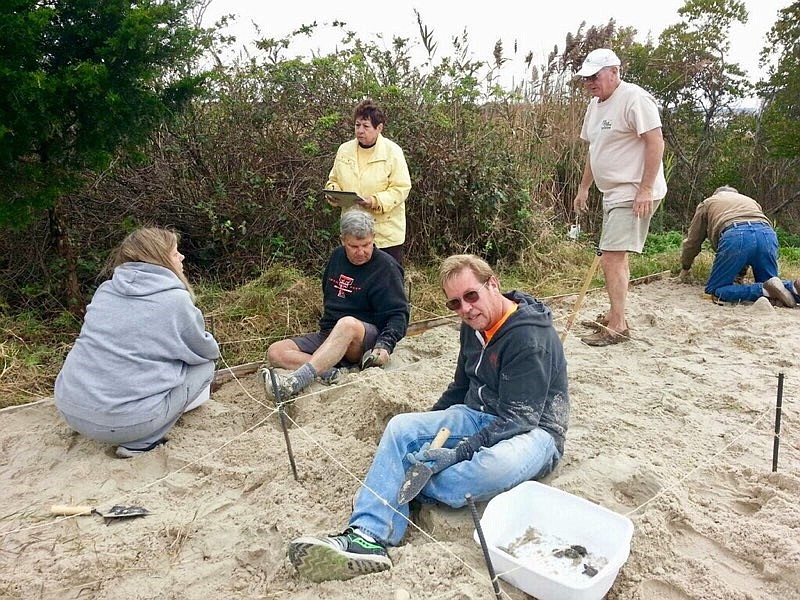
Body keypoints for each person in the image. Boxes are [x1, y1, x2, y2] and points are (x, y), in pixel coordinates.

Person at [287, 254, 569, 582]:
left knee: (490, 468)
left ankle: (401, 480)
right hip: (479, 413)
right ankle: (367, 536)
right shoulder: (474, 325)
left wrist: (456, 452)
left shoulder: (528, 336)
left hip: (535, 432)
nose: (465, 308)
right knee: (401, 427)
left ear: (492, 284)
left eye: (471, 296)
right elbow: (461, 387)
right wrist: (427, 422)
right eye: (455, 304)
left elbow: (518, 418)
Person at [55, 227, 220, 458]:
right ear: (160, 259)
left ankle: (103, 419)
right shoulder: (175, 300)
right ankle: (141, 443)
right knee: (205, 366)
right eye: (175, 253)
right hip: (124, 423)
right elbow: (203, 351)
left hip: (70, 409)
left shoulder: (106, 290)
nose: (181, 257)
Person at [572, 48, 668, 346]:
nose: (590, 82)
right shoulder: (594, 106)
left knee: (611, 258)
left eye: (595, 76)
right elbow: (594, 150)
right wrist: (584, 187)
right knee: (615, 257)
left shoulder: (634, 98)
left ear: (614, 71)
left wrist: (645, 189)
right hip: (611, 192)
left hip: (632, 190)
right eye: (586, 77)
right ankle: (617, 314)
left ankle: (617, 326)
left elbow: (656, 143)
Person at [262, 210, 409, 401]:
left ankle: (296, 381)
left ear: (373, 237)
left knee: (347, 324)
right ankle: (328, 371)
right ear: (342, 240)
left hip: (365, 338)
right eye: (353, 246)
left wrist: (385, 344)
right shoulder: (337, 257)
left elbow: (399, 314)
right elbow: (328, 295)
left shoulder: (386, 267)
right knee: (276, 352)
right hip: (331, 332)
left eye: (366, 245)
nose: (361, 251)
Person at [678, 185, 799, 307]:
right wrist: (740, 273)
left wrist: (685, 267)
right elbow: (752, 240)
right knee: (774, 286)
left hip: (735, 234)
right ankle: (794, 287)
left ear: (716, 194)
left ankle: (763, 289)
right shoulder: (750, 201)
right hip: (767, 234)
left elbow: (693, 242)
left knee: (714, 291)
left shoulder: (708, 203)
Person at [325, 98, 412, 266]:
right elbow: (333, 180)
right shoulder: (344, 150)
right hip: (353, 233)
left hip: (385, 235)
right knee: (355, 282)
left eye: (366, 126)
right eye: (357, 125)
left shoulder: (393, 152)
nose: (360, 131)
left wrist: (374, 201)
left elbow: (401, 188)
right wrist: (333, 192)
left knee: (387, 281)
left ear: (379, 128)